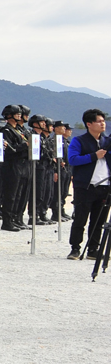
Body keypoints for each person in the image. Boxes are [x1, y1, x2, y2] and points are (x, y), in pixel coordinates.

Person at [66, 109, 109, 259]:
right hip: (85, 186)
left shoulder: (106, 141)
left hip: (104, 186)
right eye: (99, 121)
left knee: (98, 221)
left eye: (103, 120)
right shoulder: (79, 141)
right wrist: (94, 156)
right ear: (89, 124)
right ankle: (75, 248)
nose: (102, 123)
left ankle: (93, 250)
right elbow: (73, 159)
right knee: (80, 219)